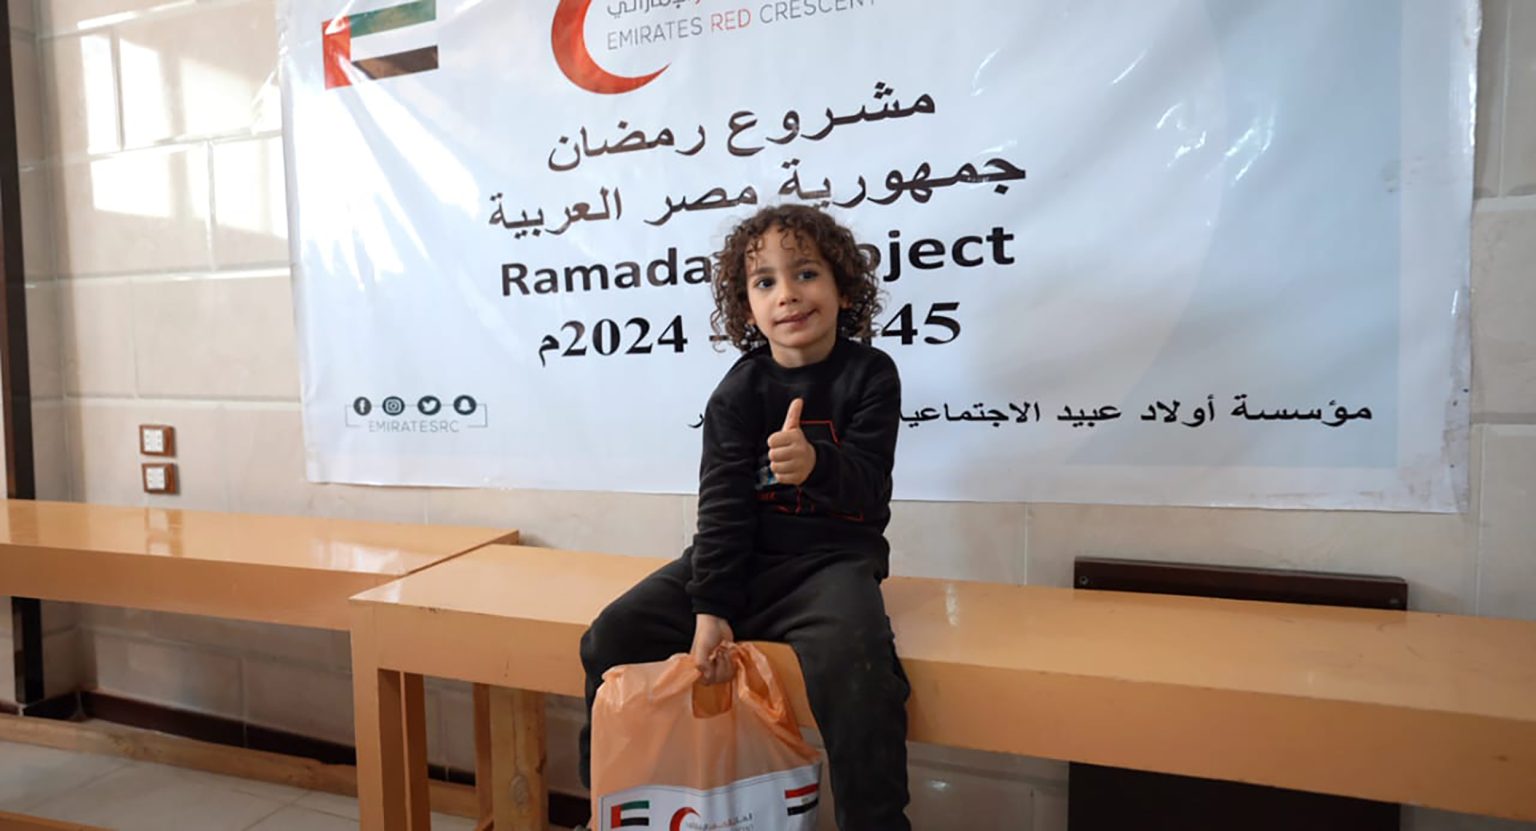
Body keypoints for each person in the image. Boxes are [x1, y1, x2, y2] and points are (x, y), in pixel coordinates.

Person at [578, 203, 912, 830]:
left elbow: (869, 494)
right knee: (609, 637)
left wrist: (816, 465)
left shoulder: (872, 375)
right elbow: (723, 509)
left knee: (861, 671)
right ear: (747, 307)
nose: (788, 294)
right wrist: (712, 608)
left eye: (806, 273)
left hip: (829, 567)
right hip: (742, 561)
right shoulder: (737, 393)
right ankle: (601, 801)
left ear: (843, 289)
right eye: (765, 282)